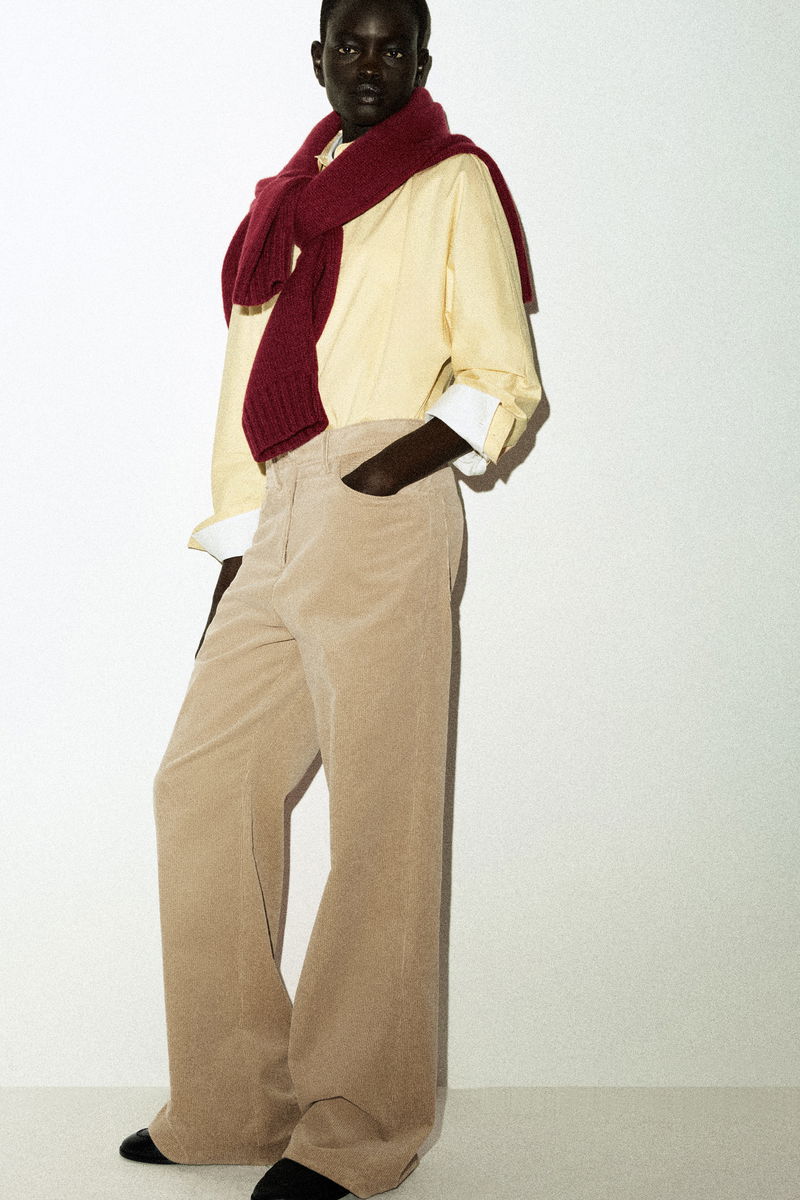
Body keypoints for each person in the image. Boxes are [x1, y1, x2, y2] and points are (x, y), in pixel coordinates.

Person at [118, 1, 544, 1197]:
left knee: (378, 815)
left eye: (392, 46)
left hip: (378, 494)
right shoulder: (281, 211)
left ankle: (355, 1127)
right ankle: (229, 1100)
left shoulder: (451, 181)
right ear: (316, 59)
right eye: (348, 44)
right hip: (276, 508)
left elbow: (500, 370)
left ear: (419, 60)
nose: (370, 62)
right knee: (201, 784)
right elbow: (242, 393)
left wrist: (387, 469)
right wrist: (236, 556)